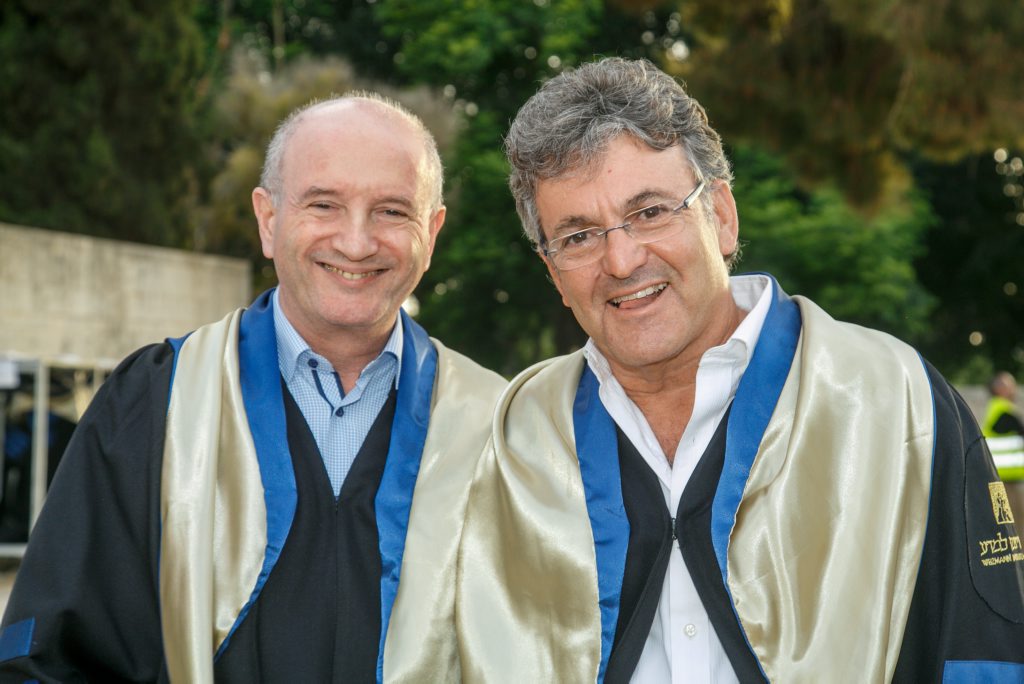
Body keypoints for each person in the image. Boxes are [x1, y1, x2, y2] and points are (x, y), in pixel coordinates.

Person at [455, 58, 1024, 682]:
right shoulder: (517, 439)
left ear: (721, 216)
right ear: (553, 274)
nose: (620, 260)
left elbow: (980, 656)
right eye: (578, 236)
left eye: (650, 212)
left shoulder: (892, 399)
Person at [0, 93, 505, 682]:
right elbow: (54, 657)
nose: (356, 242)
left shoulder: (493, 426)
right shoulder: (159, 401)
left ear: (431, 232)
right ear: (268, 220)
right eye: (324, 205)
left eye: (392, 211)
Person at [983, 371, 1024, 437]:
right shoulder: (1003, 406)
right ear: (999, 389)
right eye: (1010, 385)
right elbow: (1020, 428)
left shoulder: (993, 404)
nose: (1013, 389)